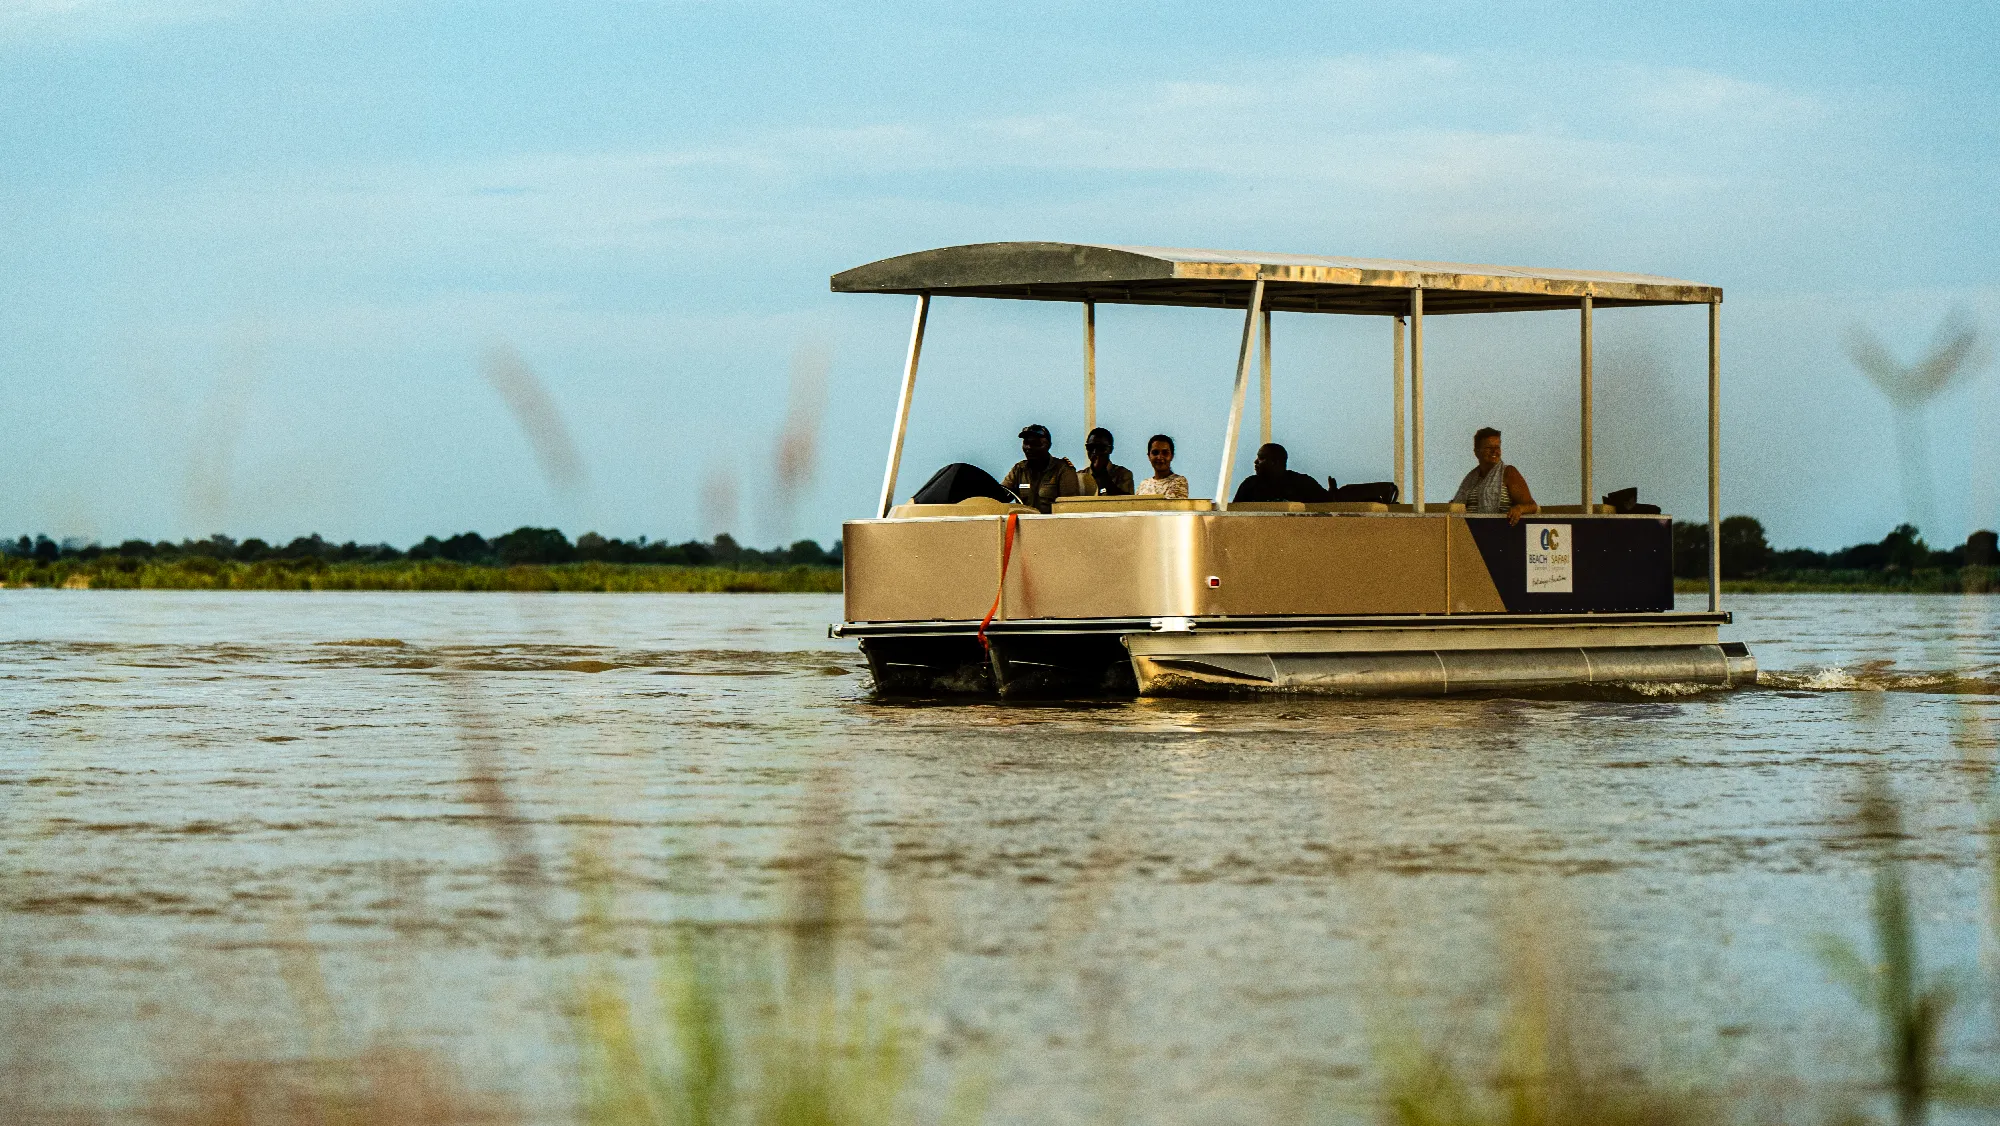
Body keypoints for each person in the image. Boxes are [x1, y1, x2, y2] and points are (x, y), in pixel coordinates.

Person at [1450, 426, 1539, 524]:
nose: (1494, 451)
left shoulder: (1508, 472)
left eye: (1497, 447)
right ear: (1476, 452)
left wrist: (1519, 509)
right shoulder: (1470, 479)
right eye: (1489, 448)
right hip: (1470, 533)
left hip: (1500, 532)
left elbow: (1532, 505)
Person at [1000, 423, 1081, 514]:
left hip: (1052, 524)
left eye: (1035, 444)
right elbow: (1001, 496)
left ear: (1048, 445)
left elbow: (1070, 507)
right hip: (1023, 524)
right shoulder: (1019, 470)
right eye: (1026, 443)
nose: (1029, 448)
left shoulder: (1063, 469)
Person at [1230, 443, 1331, 503]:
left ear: (1274, 462)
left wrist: (1333, 492)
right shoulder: (1249, 485)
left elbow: (1329, 506)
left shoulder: (1302, 483)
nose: (1255, 462)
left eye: (1261, 458)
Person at [1076, 427, 1135, 496]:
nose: (1095, 452)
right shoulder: (1080, 477)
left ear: (1110, 449)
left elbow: (1127, 502)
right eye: (1091, 448)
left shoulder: (1123, 474)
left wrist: (1102, 474)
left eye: (1100, 448)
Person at [1135, 434, 1189, 498]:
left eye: (1165, 453)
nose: (1160, 457)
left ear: (1172, 456)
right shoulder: (1143, 485)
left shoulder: (1179, 481)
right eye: (1155, 452)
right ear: (1149, 456)